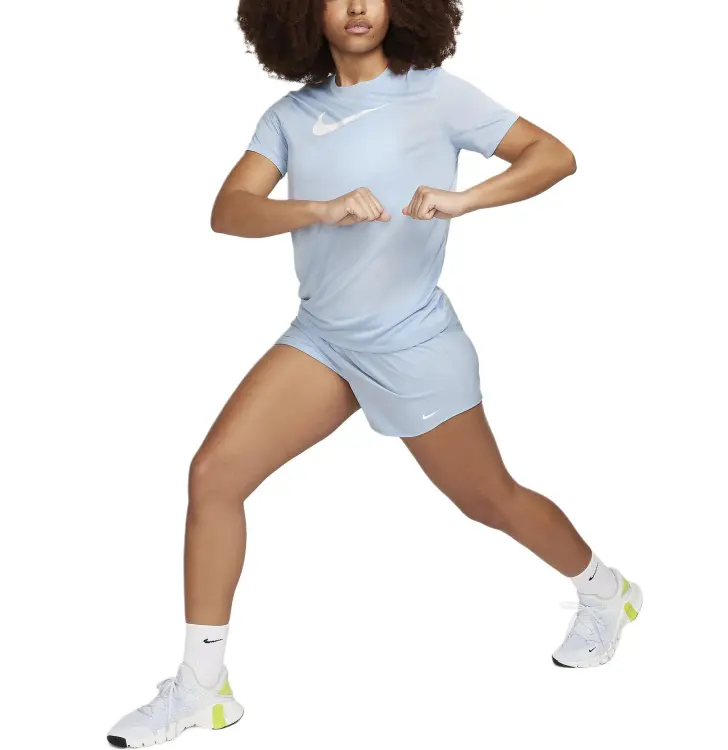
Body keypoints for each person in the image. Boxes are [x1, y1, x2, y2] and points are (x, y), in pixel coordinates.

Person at [106, 0, 643, 746]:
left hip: (412, 341)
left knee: (489, 500)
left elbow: (553, 155)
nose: (358, 7)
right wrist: (318, 210)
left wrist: (464, 199)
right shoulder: (291, 117)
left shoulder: (438, 95)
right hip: (323, 340)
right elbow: (229, 211)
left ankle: (606, 590)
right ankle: (203, 687)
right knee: (214, 476)